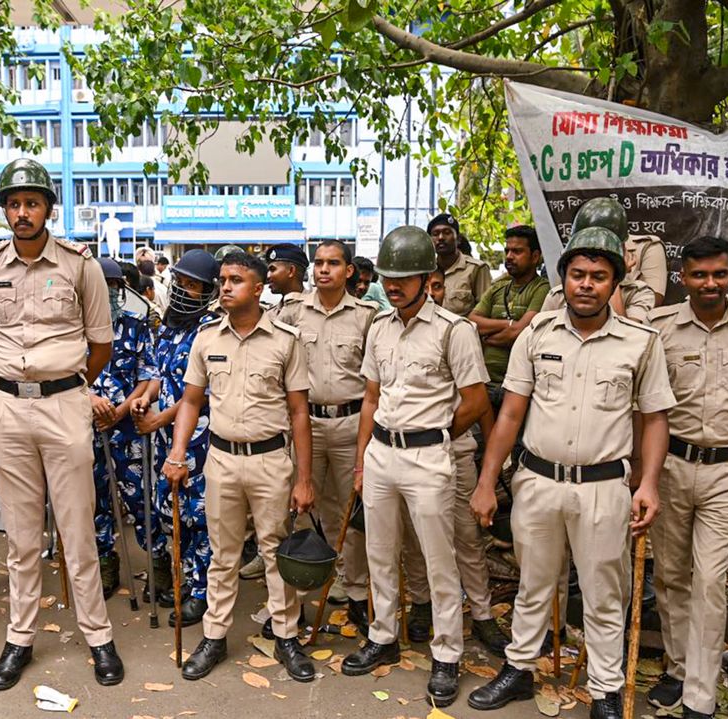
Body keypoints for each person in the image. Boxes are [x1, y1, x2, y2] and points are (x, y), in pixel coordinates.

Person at [467, 226, 675, 719]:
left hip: (604, 487)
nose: (587, 284)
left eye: (599, 276)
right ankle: (519, 669)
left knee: (606, 595)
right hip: (537, 482)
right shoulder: (538, 334)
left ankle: (605, 690)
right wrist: (485, 481)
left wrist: (648, 484)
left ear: (614, 284)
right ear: (563, 279)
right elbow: (511, 415)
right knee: (534, 584)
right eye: (578, 274)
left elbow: (654, 419)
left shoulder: (641, 343)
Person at [0, 158, 124, 690]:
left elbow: (100, 343)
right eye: (13, 204)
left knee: (78, 530)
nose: (21, 212)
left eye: (31, 202)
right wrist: (12, 386)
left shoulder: (81, 265)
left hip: (64, 405)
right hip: (7, 408)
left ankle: (99, 637)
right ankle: (20, 639)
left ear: (48, 209)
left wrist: (66, 382)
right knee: (20, 536)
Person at [340, 226, 490, 707]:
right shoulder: (379, 327)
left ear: (429, 277)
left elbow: (476, 399)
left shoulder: (454, 330)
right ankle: (383, 637)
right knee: (380, 553)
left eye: (405, 277)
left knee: (438, 559)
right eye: (388, 276)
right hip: (381, 453)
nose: (395, 285)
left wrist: (438, 429)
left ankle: (447, 654)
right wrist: (363, 463)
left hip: (429, 457)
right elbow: (370, 398)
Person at [163, 251, 316, 683]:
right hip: (222, 460)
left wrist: (304, 479)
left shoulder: (286, 340)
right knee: (223, 555)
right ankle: (215, 635)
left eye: (236, 280)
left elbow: (300, 412)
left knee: (275, 553)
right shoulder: (207, 339)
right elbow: (191, 401)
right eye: (224, 279)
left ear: (259, 287)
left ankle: (286, 635)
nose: (225, 287)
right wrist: (177, 455)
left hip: (271, 460)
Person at [645, 236, 728, 719]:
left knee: (709, 580)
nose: (710, 284)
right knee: (671, 576)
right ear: (683, 277)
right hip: (673, 469)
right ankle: (678, 668)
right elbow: (648, 407)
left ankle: (700, 695)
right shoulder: (659, 328)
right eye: (700, 275)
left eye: (719, 274)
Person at [398, 265, 510, 656]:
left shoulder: (457, 332)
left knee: (466, 535)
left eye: (438, 285)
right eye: (426, 284)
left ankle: (480, 614)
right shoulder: (396, 330)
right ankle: (422, 604)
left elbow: (479, 403)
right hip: (410, 454)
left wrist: (451, 442)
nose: (433, 291)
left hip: (455, 449)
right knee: (416, 537)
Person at [273, 239, 376, 633]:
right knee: (299, 509)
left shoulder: (368, 316)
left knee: (349, 516)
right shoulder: (293, 313)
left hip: (352, 424)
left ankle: (356, 597)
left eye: (333, 263)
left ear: (349, 271)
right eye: (318, 262)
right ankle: (291, 604)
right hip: (306, 424)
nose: (323, 269)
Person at [132, 250, 220, 625]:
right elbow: (158, 373)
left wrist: (159, 419)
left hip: (198, 439)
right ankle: (183, 581)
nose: (184, 291)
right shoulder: (170, 326)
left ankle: (202, 592)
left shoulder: (212, 329)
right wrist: (143, 400)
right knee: (171, 514)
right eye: (181, 283)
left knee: (198, 518)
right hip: (164, 438)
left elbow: (197, 395)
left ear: (209, 291)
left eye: (194, 286)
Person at [90, 258, 161, 601]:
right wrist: (90, 400)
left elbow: (148, 375)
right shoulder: (71, 328)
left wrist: (119, 411)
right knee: (94, 501)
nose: (109, 295)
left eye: (114, 288)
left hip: (127, 426)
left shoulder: (136, 325)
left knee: (140, 497)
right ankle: (106, 561)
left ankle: (158, 561)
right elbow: (64, 374)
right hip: (84, 425)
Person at [469, 226, 550, 407]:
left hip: (519, 387)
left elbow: (519, 334)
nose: (509, 256)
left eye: (517, 251)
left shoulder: (543, 289)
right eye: (508, 251)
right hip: (486, 383)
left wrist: (487, 336)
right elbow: (472, 323)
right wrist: (510, 324)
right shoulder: (498, 288)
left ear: (535, 256)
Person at [430, 213, 491, 316]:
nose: (440, 237)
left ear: (458, 239)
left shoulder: (476, 269)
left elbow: (485, 312)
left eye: (447, 232)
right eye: (435, 234)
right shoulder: (426, 270)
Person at [265, 243, 308, 310]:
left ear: (291, 271)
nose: (268, 276)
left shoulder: (315, 310)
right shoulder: (272, 313)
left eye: (273, 269)